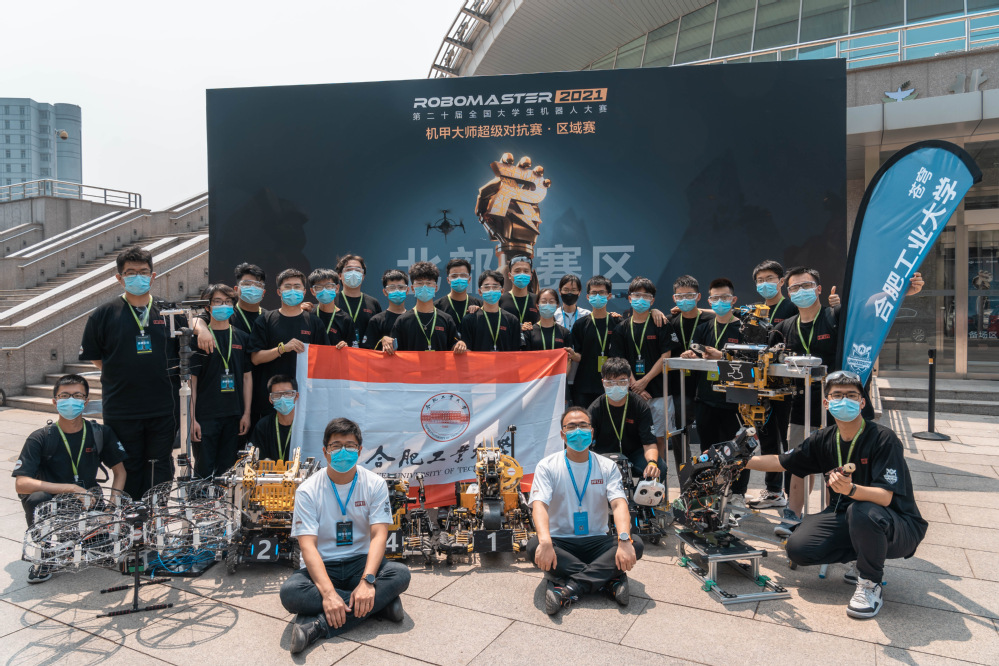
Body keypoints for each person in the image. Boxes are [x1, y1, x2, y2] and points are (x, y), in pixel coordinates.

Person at [743, 371, 927, 619]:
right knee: (798, 548)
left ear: (862, 402)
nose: (844, 400)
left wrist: (851, 490)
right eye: (837, 395)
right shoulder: (824, 438)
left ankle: (870, 583)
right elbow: (781, 461)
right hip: (845, 516)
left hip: (897, 523)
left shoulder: (884, 439)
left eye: (851, 395)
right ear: (826, 403)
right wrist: (741, 462)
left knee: (862, 510)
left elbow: (885, 497)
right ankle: (865, 553)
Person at [280, 417, 411, 653]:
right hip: (323, 566)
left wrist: (367, 581)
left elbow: (379, 536)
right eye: (336, 446)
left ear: (359, 451)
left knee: (400, 574)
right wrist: (328, 594)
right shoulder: (307, 491)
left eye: (350, 446)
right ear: (325, 451)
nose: (343, 451)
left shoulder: (375, 484)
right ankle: (379, 605)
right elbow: (308, 547)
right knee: (290, 592)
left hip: (360, 563)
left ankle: (317, 626)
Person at [79, 245, 182, 500]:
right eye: (131, 272)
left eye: (143, 272)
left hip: (163, 407)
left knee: (160, 465)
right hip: (122, 408)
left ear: (153, 276)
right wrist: (122, 371)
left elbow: (186, 340)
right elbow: (96, 357)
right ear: (120, 277)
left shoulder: (168, 311)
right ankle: (130, 517)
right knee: (129, 465)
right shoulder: (104, 314)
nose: (138, 277)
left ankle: (156, 515)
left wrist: (200, 326)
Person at [526, 406, 642, 615]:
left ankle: (568, 587)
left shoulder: (607, 466)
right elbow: (539, 505)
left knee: (636, 544)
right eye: (571, 427)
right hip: (560, 542)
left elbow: (619, 504)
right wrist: (545, 542)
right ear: (562, 434)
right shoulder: (547, 466)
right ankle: (607, 580)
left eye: (583, 425)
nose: (578, 431)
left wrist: (624, 540)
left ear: (592, 431)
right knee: (534, 546)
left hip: (597, 540)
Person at [13, 375, 127, 583]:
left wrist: (111, 509)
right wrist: (71, 488)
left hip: (89, 501)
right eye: (64, 396)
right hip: (54, 502)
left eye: (77, 396)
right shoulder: (40, 437)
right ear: (55, 401)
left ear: (86, 401)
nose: (71, 400)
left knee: (104, 551)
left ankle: (84, 537)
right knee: (36, 498)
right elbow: (21, 483)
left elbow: (120, 472)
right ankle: (44, 553)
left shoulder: (100, 433)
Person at [680, 279, 744, 484]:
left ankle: (737, 492)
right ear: (709, 301)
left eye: (724, 297)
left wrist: (723, 356)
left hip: (734, 402)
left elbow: (752, 363)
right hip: (706, 399)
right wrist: (690, 356)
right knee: (707, 450)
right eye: (715, 298)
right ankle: (709, 488)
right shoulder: (703, 328)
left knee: (736, 450)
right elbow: (697, 355)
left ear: (733, 299)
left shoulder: (743, 328)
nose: (719, 301)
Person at [248, 268, 330, 418]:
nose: (292, 290)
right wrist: (282, 349)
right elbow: (256, 358)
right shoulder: (265, 320)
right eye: (287, 286)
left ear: (304, 292)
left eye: (297, 286)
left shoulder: (314, 322)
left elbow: (324, 360)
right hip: (272, 399)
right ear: (279, 292)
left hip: (304, 398)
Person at [190, 284, 253, 478]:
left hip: (234, 415)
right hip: (205, 416)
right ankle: (200, 499)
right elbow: (192, 381)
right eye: (217, 302)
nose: (223, 306)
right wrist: (192, 419)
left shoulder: (242, 337)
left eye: (227, 302)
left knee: (228, 472)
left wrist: (246, 414)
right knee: (203, 471)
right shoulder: (198, 339)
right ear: (207, 307)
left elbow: (247, 377)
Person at [610, 276, 676, 460]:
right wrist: (635, 386)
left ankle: (660, 473)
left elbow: (666, 356)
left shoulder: (661, 324)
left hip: (659, 392)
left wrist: (644, 381)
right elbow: (620, 361)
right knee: (633, 438)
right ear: (629, 298)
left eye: (646, 296)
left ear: (652, 301)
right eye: (637, 295)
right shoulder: (621, 328)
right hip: (631, 393)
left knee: (660, 438)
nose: (641, 299)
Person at [666, 275, 715, 471]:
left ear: (698, 296)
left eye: (689, 295)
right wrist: (654, 311)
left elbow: (732, 313)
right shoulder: (669, 320)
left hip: (706, 389)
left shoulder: (710, 319)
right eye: (680, 296)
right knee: (680, 436)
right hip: (679, 388)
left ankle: (708, 477)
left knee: (708, 438)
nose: (684, 299)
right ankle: (684, 478)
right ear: (674, 298)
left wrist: (704, 310)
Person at [587, 358, 665, 478]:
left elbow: (649, 443)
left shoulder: (640, 405)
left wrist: (652, 463)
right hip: (604, 456)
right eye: (610, 382)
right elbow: (586, 443)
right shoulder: (595, 408)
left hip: (634, 454)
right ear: (603, 382)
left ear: (629, 382)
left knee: (660, 468)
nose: (616, 386)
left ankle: (641, 490)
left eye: (621, 382)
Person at [388, 262, 466, 354]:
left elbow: (454, 346)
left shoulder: (446, 320)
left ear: (436, 288)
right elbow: (394, 352)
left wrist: (460, 344)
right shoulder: (402, 321)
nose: (424, 287)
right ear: (412, 288)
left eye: (429, 283)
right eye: (420, 283)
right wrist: (386, 342)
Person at [570, 275, 620, 408]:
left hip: (612, 385)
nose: (597, 296)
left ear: (609, 296)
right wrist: (573, 355)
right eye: (594, 293)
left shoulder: (617, 323)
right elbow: (579, 355)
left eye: (602, 292)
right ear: (588, 297)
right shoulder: (580, 324)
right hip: (584, 386)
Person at [459, 270, 522, 352]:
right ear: (480, 292)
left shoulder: (512, 320)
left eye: (495, 287)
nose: (491, 290)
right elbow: (466, 351)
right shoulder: (469, 320)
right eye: (486, 287)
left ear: (502, 291)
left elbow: (517, 353)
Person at [334, 254, 382, 348]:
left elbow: (378, 333)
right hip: (338, 353)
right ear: (340, 275)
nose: (353, 273)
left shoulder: (373, 303)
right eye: (349, 270)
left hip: (366, 355)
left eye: (357, 270)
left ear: (363, 276)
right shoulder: (332, 301)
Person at [248, 375, 299, 462]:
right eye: (277, 395)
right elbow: (255, 458)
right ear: (270, 399)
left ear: (296, 396)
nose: (282, 398)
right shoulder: (263, 426)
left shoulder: (305, 426)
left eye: (287, 393)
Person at [525, 289, 580, 364]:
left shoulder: (565, 333)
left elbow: (568, 361)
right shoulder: (529, 331)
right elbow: (525, 359)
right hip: (535, 371)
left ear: (557, 306)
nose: (547, 304)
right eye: (544, 302)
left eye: (551, 302)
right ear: (537, 306)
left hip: (559, 372)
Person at [361, 270, 409, 350]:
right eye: (392, 288)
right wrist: (381, 341)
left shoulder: (413, 319)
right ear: (385, 292)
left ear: (407, 290)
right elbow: (367, 352)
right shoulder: (376, 321)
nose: (397, 291)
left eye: (401, 287)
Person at [309, 268, 355, 348]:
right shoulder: (308, 314)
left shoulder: (345, 319)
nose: (324, 290)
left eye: (328, 286)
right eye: (319, 287)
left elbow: (353, 349)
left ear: (337, 288)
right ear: (313, 291)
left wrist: (346, 347)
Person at [434, 258, 482, 327]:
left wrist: (480, 311)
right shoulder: (437, 307)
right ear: (448, 280)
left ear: (469, 279)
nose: (459, 279)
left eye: (463, 275)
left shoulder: (479, 306)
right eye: (454, 276)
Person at [499, 255, 539, 329]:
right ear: (509, 275)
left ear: (531, 276)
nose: (522, 274)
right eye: (517, 271)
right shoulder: (500, 299)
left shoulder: (537, 300)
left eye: (526, 271)